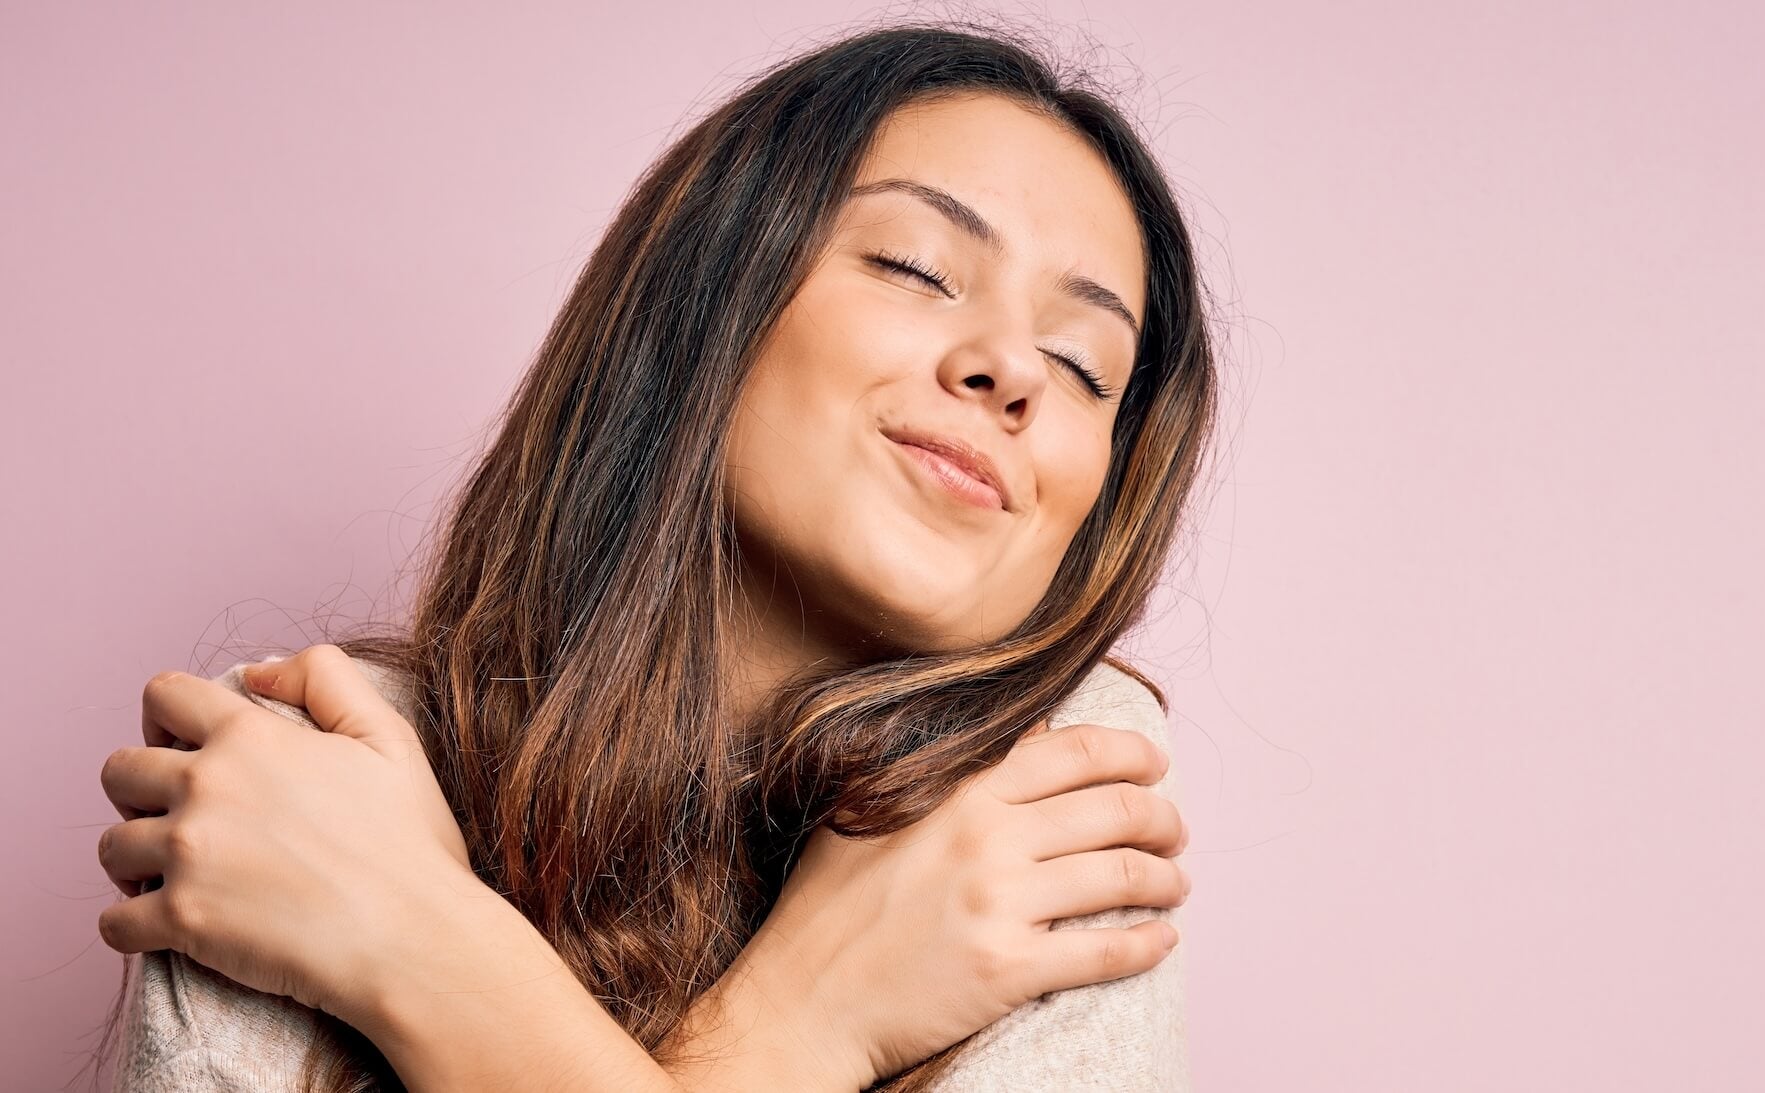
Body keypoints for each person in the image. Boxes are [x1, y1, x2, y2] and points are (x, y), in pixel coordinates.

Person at [91, 19, 1220, 1092]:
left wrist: (412, 935)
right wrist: (804, 1027)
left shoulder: (1058, 802)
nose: (1011, 371)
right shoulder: (310, 771)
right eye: (917, 268)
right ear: (706, 298)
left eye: (1082, 365)